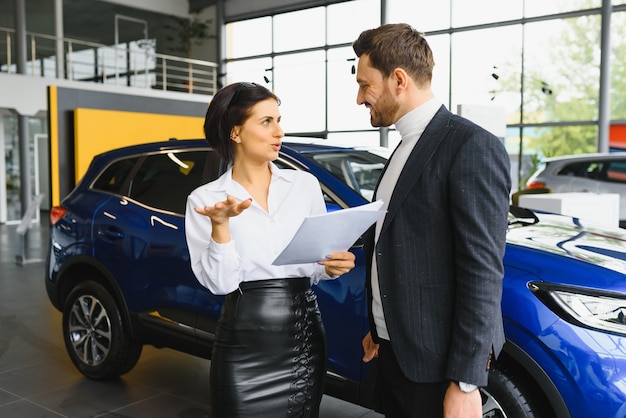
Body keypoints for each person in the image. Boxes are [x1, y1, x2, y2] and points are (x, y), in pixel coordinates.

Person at [353, 24, 511, 418]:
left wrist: (466, 382)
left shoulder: (470, 145)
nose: (359, 98)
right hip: (395, 354)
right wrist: (378, 327)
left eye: (365, 85)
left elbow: (482, 271)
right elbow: (400, 246)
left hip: (438, 369)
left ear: (399, 80)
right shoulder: (404, 147)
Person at [184, 81, 355, 418]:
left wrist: (331, 265)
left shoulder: (303, 185)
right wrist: (221, 226)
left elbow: (316, 260)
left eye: (279, 119)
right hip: (241, 344)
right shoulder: (205, 200)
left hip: (302, 339)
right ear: (235, 132)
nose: (279, 131)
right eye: (266, 122)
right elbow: (221, 284)